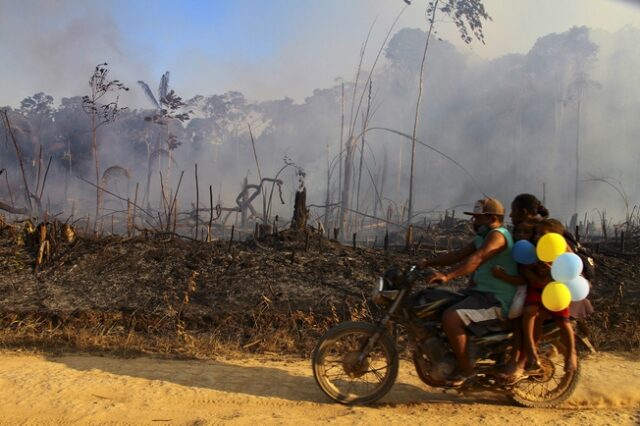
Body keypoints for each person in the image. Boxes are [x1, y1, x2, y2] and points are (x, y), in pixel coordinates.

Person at [420, 197, 519, 387]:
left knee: (451, 318)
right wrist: (427, 263)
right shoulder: (482, 237)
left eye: (478, 218)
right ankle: (455, 356)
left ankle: (467, 371)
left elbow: (476, 259)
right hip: (480, 294)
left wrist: (448, 276)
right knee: (440, 305)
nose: (474, 222)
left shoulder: (498, 236)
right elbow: (458, 254)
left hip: (496, 299)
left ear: (492, 218)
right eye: (474, 218)